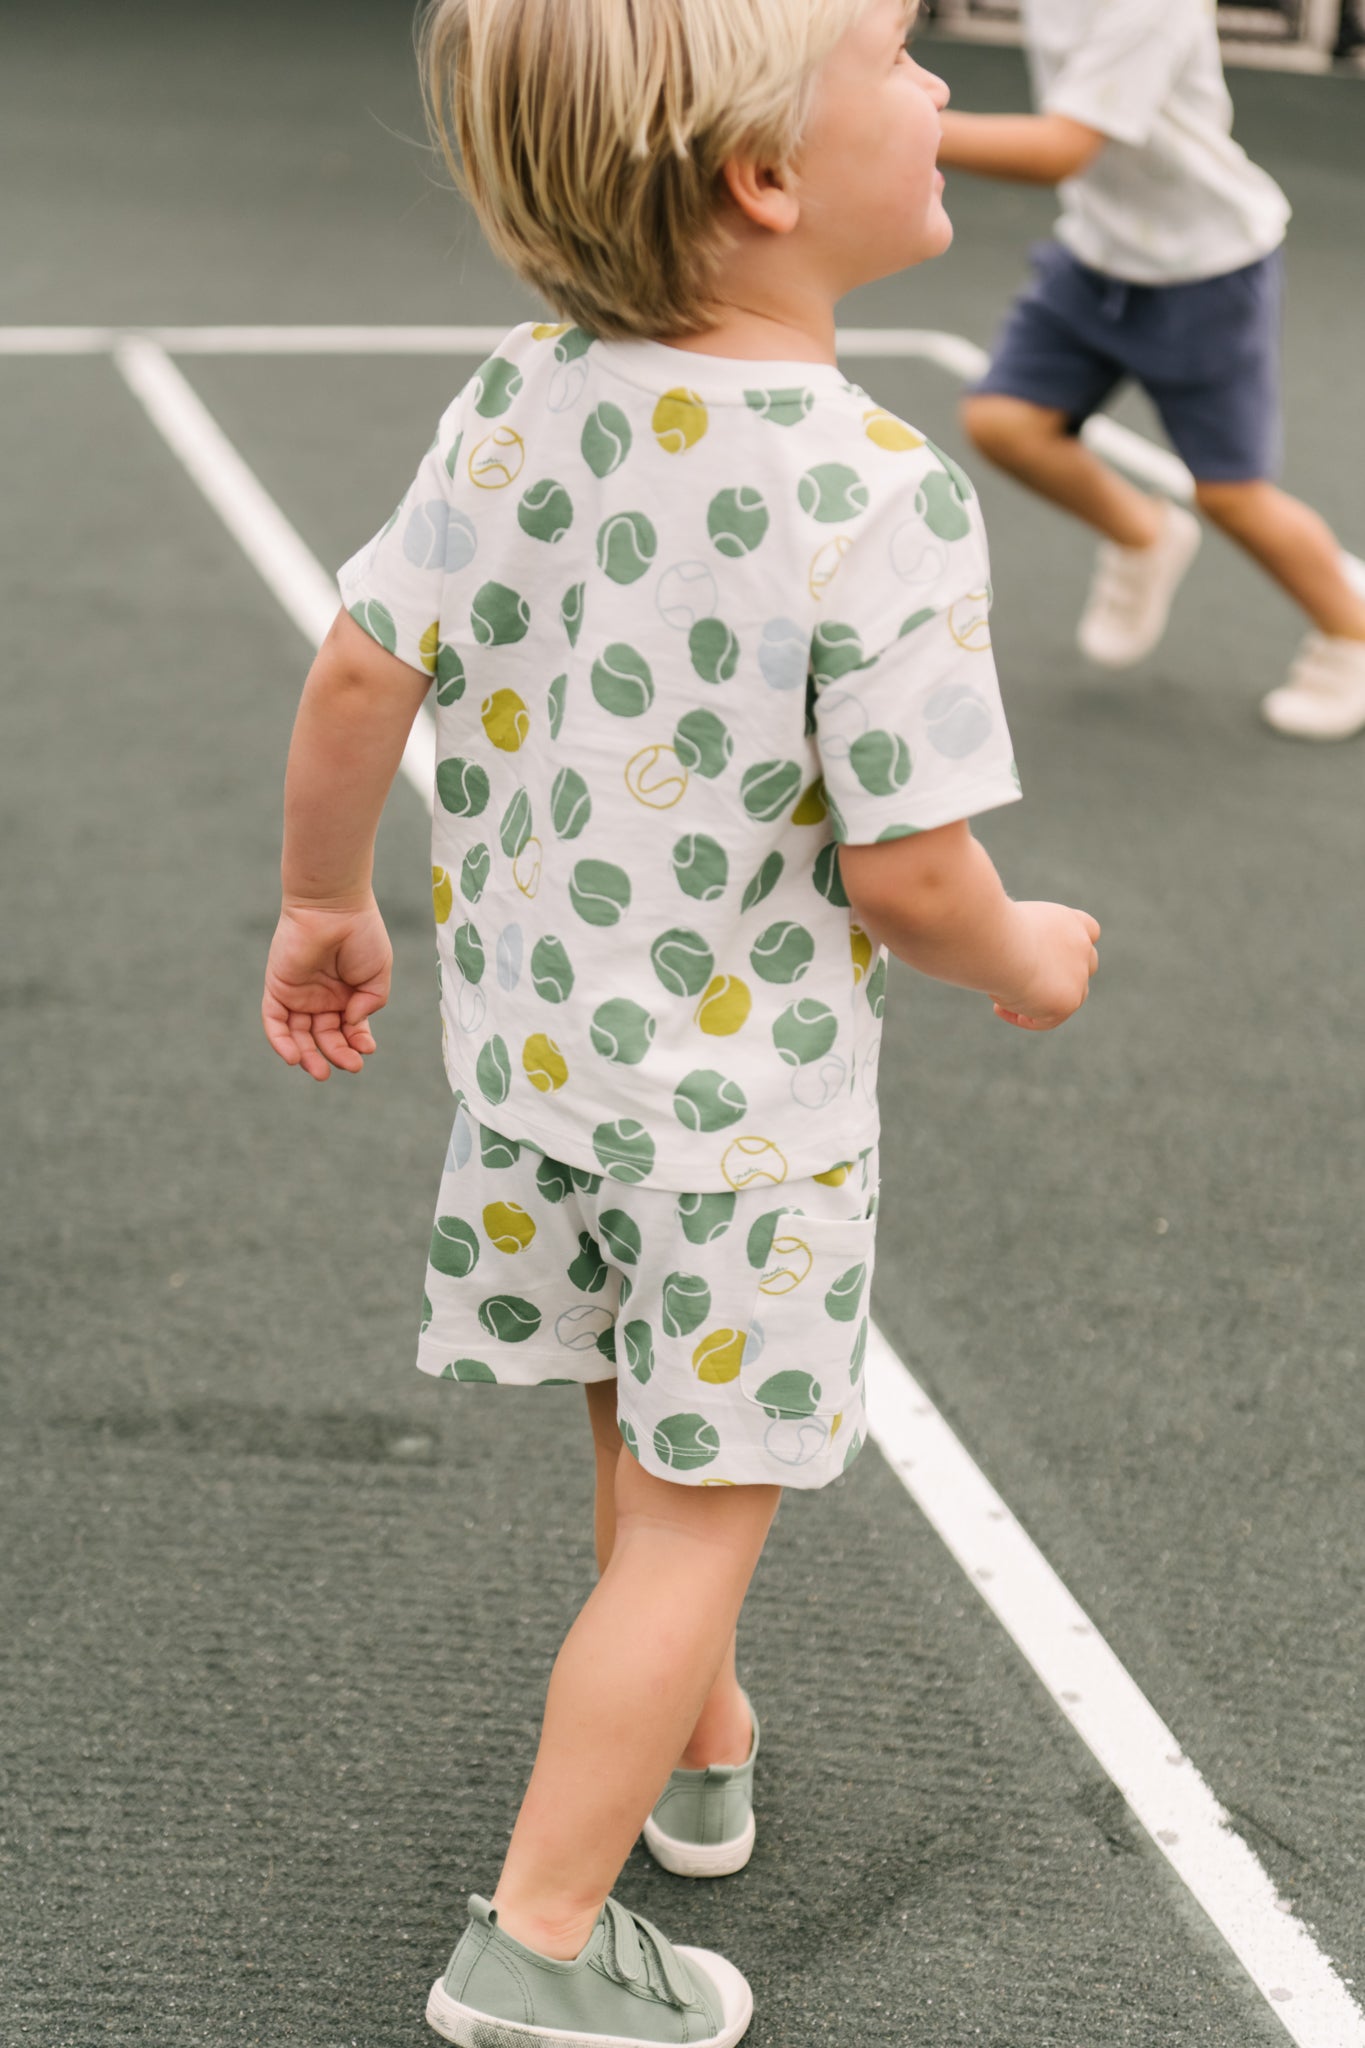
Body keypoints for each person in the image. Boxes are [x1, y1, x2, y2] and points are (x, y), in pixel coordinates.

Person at [260, 3, 1099, 2042]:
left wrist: (321, 901)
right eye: (900, 59)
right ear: (766, 180)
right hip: (744, 1132)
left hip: (542, 1083)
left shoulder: (518, 393)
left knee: (646, 1448)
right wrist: (1032, 954)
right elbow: (913, 877)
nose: (940, 93)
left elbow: (362, 669)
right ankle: (538, 1940)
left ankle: (696, 1747)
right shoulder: (874, 490)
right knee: (694, 1522)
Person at [936, 0, 1365, 739]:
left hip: (1206, 274)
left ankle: (1350, 633)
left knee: (1232, 495)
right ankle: (1144, 534)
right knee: (1003, 424)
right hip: (1096, 256)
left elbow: (1059, 150)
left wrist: (898, 124)